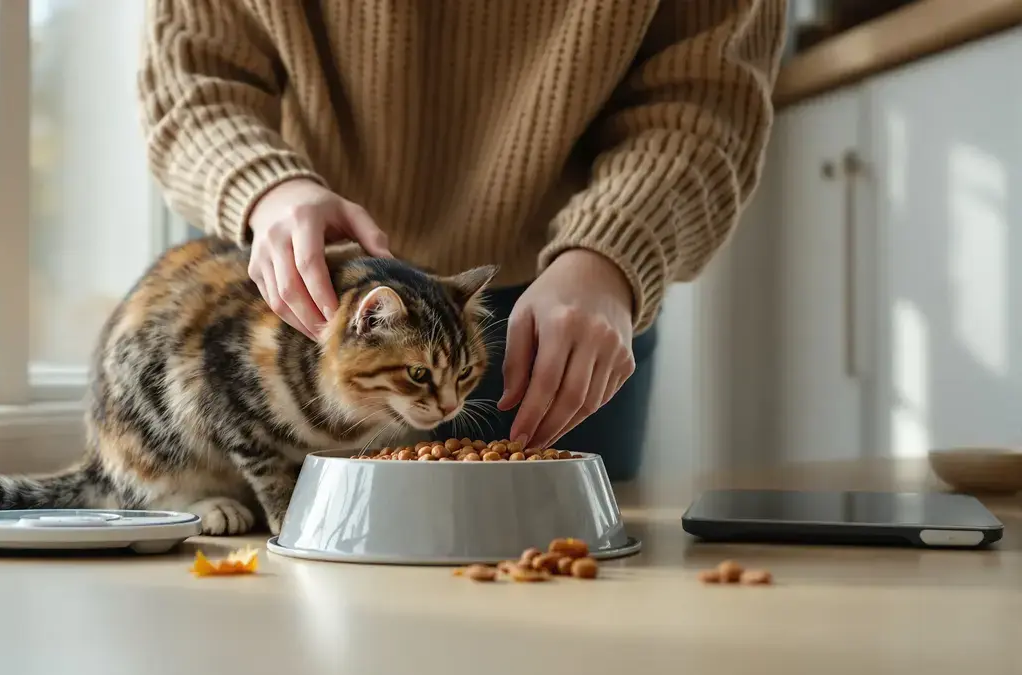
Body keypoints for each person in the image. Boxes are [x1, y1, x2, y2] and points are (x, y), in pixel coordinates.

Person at [138, 0, 786, 480]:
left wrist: (614, 252)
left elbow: (709, 97)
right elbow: (193, 71)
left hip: (560, 305)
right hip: (297, 287)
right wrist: (265, 188)